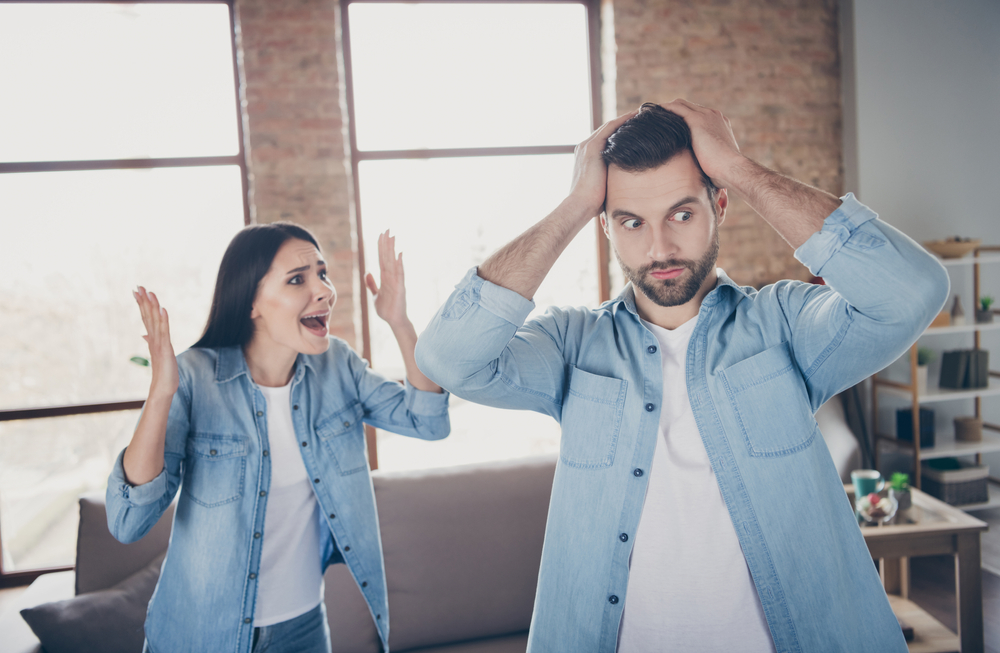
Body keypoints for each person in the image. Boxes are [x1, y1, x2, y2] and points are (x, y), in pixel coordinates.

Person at [415, 101, 949, 652]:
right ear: (605, 226)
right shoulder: (571, 345)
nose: (659, 248)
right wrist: (576, 202)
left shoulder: (784, 324)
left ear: (719, 204)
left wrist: (737, 168)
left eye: (682, 213)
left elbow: (912, 293)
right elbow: (448, 358)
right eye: (631, 221)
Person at [107, 224, 449, 653]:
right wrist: (160, 395)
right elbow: (127, 521)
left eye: (321, 274)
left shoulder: (337, 367)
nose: (323, 290)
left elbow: (428, 422)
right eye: (297, 279)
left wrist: (399, 321)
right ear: (252, 302)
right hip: (200, 633)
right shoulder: (195, 378)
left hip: (303, 631)